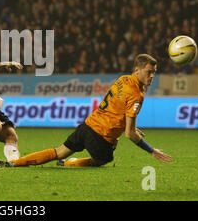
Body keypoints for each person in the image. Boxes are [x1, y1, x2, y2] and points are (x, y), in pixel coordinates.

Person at [9, 54, 172, 168]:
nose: (151, 76)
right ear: (137, 70)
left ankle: (15, 163)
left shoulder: (123, 79)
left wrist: (128, 125)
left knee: (59, 151)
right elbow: (129, 134)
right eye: (148, 72)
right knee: (102, 160)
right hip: (101, 137)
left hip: (87, 125)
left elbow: (116, 107)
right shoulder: (136, 95)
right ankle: (69, 163)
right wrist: (152, 150)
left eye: (154, 73)